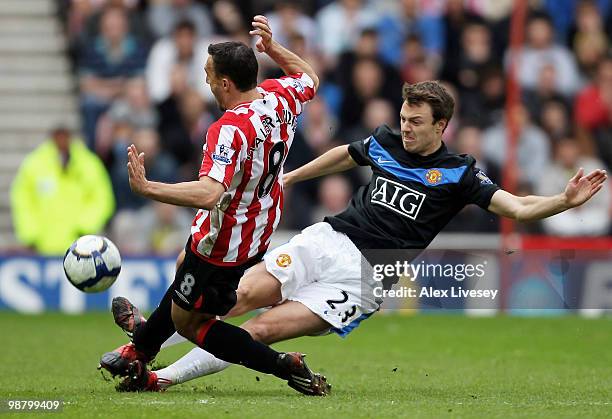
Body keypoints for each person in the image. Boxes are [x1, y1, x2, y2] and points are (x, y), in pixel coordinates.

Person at [110, 80, 607, 392]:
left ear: (442, 125)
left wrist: (562, 201)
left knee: (261, 330)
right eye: (404, 119)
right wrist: (289, 177)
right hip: (327, 237)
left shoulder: (460, 173)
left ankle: (156, 376)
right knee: (233, 300)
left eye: (416, 122)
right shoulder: (387, 141)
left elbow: (517, 207)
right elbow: (346, 154)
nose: (405, 129)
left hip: (366, 277)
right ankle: (147, 342)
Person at [98, 16, 328, 396]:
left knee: (191, 322)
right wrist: (272, 49)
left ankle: (284, 366)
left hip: (225, 237)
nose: (203, 80)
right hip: (258, 225)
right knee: (181, 271)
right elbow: (309, 78)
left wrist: (147, 187)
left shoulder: (228, 129)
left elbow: (208, 193)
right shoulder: (279, 96)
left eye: (207, 74)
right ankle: (140, 346)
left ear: (224, 82)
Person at [11, 127, 115, 255]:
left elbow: (102, 198)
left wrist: (85, 226)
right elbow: (22, 200)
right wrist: (30, 233)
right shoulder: (34, 165)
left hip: (80, 249)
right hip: (42, 246)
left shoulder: (89, 164)